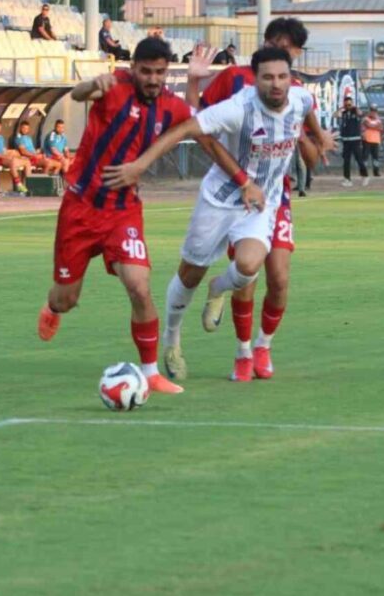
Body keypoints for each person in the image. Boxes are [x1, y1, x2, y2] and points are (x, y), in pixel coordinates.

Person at [34, 37, 239, 396]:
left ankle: (150, 372)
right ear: (134, 69)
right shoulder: (113, 87)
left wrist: (193, 83)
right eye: (146, 71)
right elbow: (81, 94)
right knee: (66, 299)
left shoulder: (171, 107)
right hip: (80, 210)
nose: (154, 79)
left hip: (123, 212)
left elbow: (198, 125)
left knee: (140, 287)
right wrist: (89, 85)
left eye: (160, 72)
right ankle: (53, 308)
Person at [104, 46, 317, 383]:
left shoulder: (301, 99)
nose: (276, 84)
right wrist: (141, 165)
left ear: (291, 77)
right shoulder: (238, 109)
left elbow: (307, 116)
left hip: (262, 203)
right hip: (218, 201)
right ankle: (172, 339)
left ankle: (219, 288)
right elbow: (186, 128)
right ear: (254, 80)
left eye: (282, 76)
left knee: (249, 266)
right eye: (268, 78)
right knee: (190, 274)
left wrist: (321, 138)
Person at [179, 17, 333, 382]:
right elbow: (197, 117)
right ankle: (243, 351)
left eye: (294, 51)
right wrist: (193, 81)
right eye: (289, 47)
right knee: (246, 277)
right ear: (271, 43)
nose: (291, 56)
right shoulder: (235, 80)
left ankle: (264, 344)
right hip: (236, 197)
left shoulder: (293, 91)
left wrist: (317, 140)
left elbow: (311, 151)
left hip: (276, 196)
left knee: (279, 278)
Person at [0, 118, 30, 193]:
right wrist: (8, 156)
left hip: (4, 158)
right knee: (13, 161)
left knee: (26, 161)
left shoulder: (1, 137)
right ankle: (19, 184)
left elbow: (4, 150)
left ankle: (29, 184)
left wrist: (13, 152)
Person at [335, 96, 368, 187]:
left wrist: (354, 107)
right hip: (346, 140)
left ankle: (364, 175)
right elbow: (336, 115)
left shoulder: (355, 112)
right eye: (346, 104)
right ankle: (347, 179)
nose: (348, 106)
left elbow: (360, 113)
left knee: (359, 159)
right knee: (346, 160)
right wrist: (341, 108)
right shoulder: (344, 113)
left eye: (349, 104)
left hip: (355, 139)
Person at [361, 103, 383, 177]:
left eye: (375, 110)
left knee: (375, 157)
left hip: (376, 140)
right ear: (369, 110)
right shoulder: (365, 118)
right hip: (367, 139)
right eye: (372, 110)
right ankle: (364, 171)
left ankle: (376, 171)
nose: (373, 112)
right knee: (365, 157)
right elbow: (368, 125)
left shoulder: (378, 119)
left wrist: (373, 126)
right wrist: (375, 126)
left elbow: (381, 128)